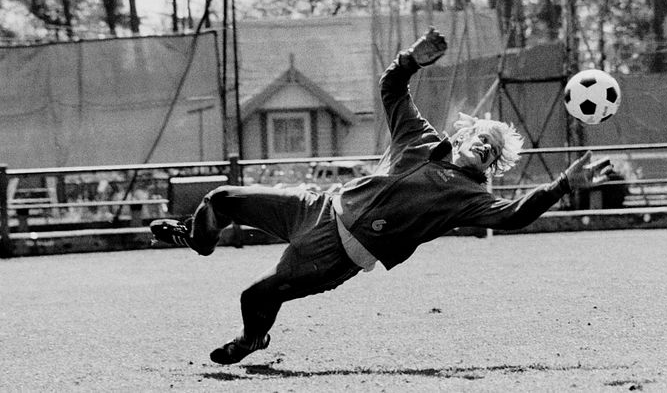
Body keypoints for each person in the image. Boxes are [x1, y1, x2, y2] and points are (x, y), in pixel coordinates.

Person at [150, 27, 613, 366]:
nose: (483, 144)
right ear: (466, 130)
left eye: (491, 148)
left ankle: (253, 341)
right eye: (481, 135)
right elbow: (392, 88)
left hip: (338, 252)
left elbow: (515, 215)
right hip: (317, 204)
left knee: (255, 296)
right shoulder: (420, 137)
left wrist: (564, 185)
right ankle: (196, 238)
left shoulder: (468, 198)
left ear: (491, 164)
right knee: (222, 198)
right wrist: (410, 59)